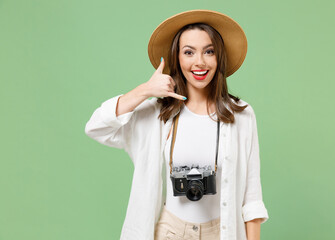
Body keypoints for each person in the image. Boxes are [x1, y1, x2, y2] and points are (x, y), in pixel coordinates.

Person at [85, 9, 269, 240]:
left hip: (222, 232)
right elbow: (96, 127)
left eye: (209, 51)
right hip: (169, 231)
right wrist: (145, 90)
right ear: (177, 58)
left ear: (218, 57)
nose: (199, 62)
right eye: (188, 52)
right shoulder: (157, 114)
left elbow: (251, 200)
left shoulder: (241, 115)